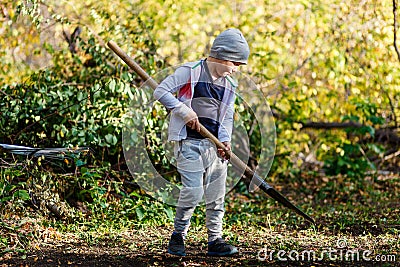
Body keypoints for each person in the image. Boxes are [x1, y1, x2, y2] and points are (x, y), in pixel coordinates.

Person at [153, 28, 250, 257]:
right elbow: (161, 91)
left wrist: (224, 141)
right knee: (193, 191)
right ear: (223, 56)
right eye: (235, 64)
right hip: (189, 143)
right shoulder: (191, 71)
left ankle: (214, 240)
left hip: (214, 148)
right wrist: (183, 111)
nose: (235, 70)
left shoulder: (229, 86)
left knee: (216, 195)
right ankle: (178, 236)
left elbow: (226, 117)